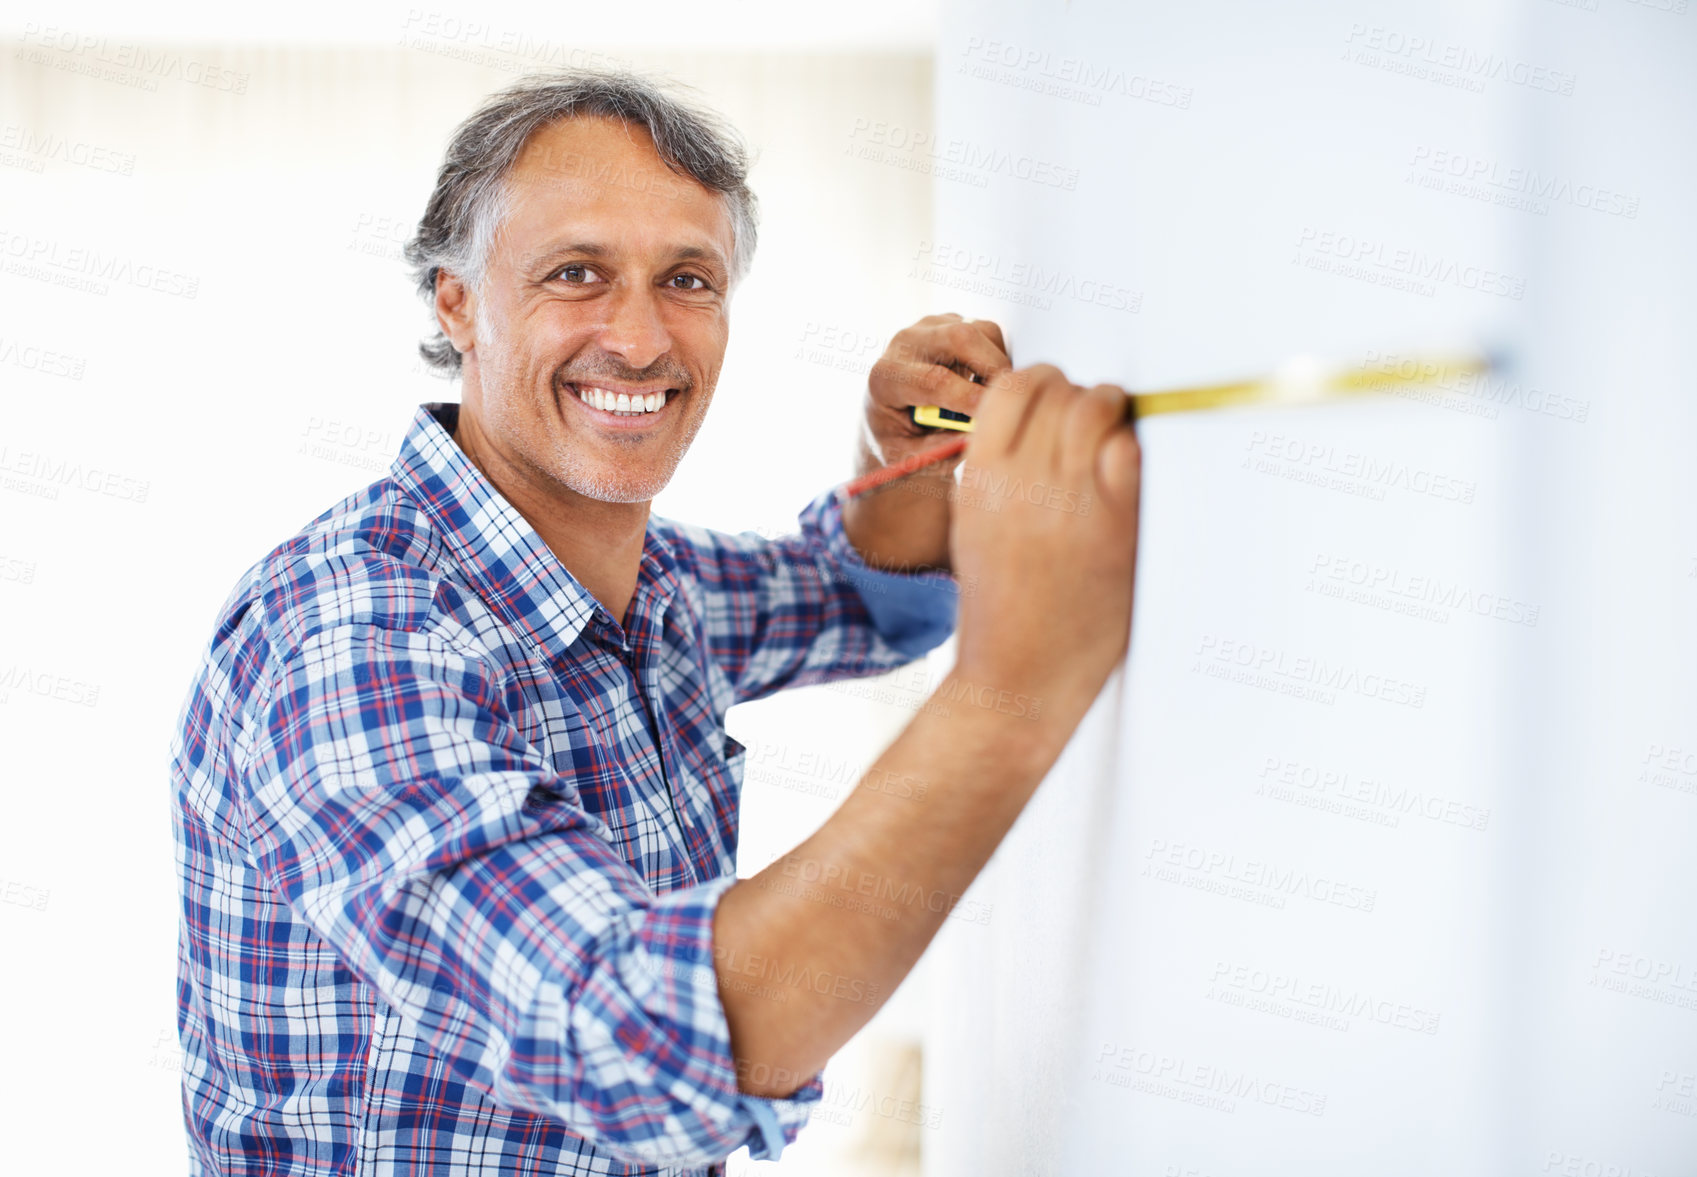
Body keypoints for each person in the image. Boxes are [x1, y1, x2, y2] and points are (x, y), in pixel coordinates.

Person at [169, 68, 1140, 1177]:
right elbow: (628, 1038)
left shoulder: (652, 586)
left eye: (686, 279)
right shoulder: (347, 636)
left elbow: (864, 601)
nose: (638, 340)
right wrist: (1021, 684)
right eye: (575, 273)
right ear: (455, 302)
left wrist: (901, 458)